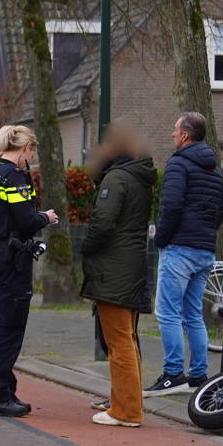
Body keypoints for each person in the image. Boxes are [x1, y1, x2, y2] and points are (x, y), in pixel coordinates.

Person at [0, 125, 58, 417]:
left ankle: (5, 389)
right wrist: (45, 217)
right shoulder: (14, 177)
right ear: (24, 148)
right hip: (10, 261)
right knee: (8, 329)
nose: (31, 157)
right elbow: (25, 219)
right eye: (31, 151)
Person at [79, 126, 156, 427]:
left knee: (118, 341)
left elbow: (103, 223)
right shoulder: (140, 178)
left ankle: (126, 411)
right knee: (129, 338)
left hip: (113, 267)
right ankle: (129, 404)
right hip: (132, 264)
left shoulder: (116, 179)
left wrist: (86, 247)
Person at [148, 112, 223, 395]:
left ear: (185, 135)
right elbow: (219, 213)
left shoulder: (179, 164)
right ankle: (198, 375)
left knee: (167, 313)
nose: (172, 134)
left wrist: (162, 239)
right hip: (204, 250)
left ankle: (172, 374)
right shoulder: (214, 170)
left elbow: (171, 206)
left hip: (179, 248)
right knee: (193, 314)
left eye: (175, 129)